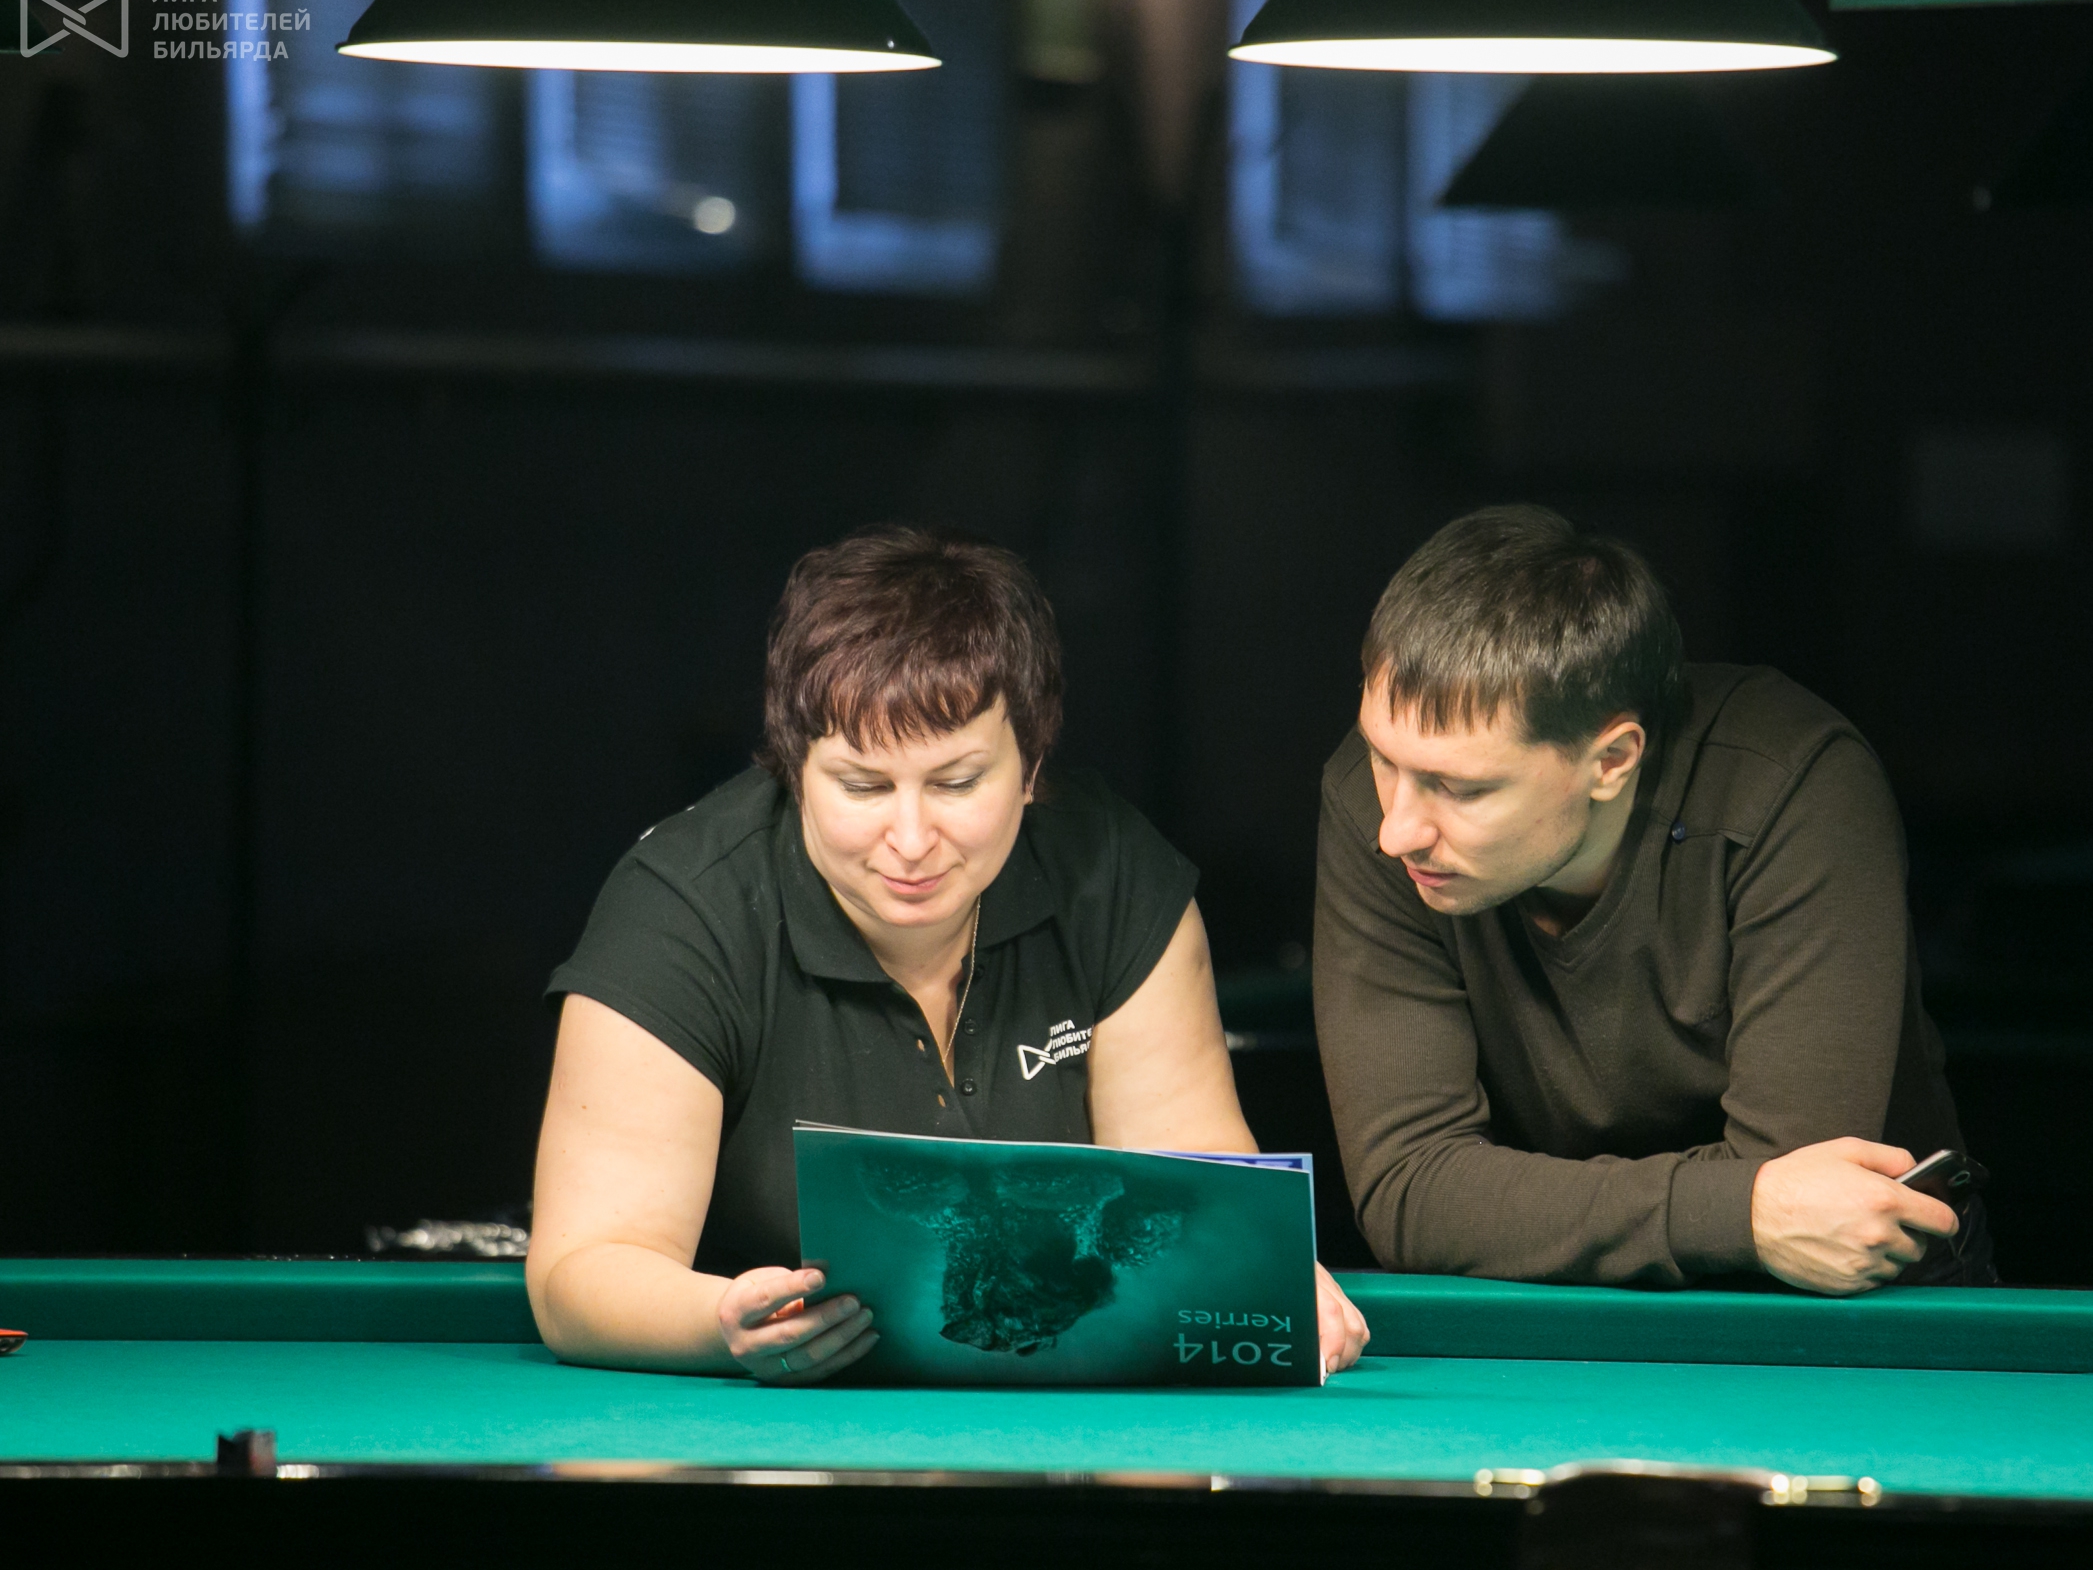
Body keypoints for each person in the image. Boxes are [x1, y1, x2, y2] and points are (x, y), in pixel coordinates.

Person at [529, 525, 1370, 1383]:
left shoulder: (1110, 877)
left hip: (1071, 1423)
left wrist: (1259, 1278)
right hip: (762, 1427)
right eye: (862, 785)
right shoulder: (680, 912)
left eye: (957, 782)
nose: (911, 838)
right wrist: (722, 1327)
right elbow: (581, 1272)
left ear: (1031, 768)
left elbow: (1188, 1200)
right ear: (792, 768)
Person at [1312, 505, 1992, 1295]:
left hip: (1858, 1318)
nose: (1397, 830)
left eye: (1461, 789)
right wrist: (1739, 1209)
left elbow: (1809, 1197)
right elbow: (1409, 1189)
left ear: (1612, 761)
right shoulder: (1375, 811)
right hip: (1557, 1307)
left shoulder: (1794, 785)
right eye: (1382, 758)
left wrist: (1513, 1204)